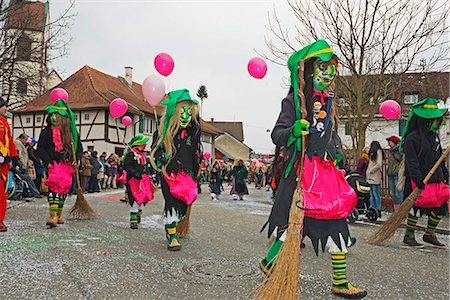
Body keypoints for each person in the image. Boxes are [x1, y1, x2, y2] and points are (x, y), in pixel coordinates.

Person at [259, 40, 366, 298]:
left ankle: (340, 281)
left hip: (326, 175)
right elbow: (277, 134)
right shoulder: (293, 103)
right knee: (292, 228)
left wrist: (343, 163)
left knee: (337, 221)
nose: (327, 73)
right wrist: (294, 131)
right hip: (301, 176)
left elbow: (333, 139)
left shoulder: (329, 104)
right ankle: (269, 263)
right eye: (322, 67)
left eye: (331, 68)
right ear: (308, 71)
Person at [150, 89, 202, 251]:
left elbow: (194, 153)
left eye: (189, 111)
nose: (186, 115)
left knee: (183, 205)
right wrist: (161, 159)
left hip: (187, 174)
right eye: (182, 111)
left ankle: (172, 227)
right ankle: (172, 236)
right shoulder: (162, 134)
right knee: (171, 203)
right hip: (169, 173)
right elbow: (155, 151)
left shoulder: (193, 133)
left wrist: (197, 169)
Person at [400, 98, 449, 248]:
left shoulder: (434, 136)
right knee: (415, 208)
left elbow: (438, 157)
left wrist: (444, 172)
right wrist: (417, 178)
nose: (435, 122)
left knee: (441, 208)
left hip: (435, 179)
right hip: (418, 179)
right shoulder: (412, 138)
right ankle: (409, 236)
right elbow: (411, 161)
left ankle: (429, 234)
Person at [37, 98, 82, 227]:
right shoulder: (47, 132)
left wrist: (77, 159)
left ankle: (59, 214)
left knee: (63, 190)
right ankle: (53, 215)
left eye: (57, 115)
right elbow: (40, 148)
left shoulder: (72, 133)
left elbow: (79, 147)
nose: (54, 118)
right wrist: (48, 162)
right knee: (53, 189)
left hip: (67, 165)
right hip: (53, 163)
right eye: (52, 115)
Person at [123, 135, 154, 229]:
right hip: (133, 180)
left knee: (143, 199)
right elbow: (127, 166)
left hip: (143, 180)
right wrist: (135, 173)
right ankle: (133, 221)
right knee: (135, 200)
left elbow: (145, 166)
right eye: (143, 143)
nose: (145, 145)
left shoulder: (143, 155)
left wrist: (148, 174)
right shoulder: (131, 154)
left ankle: (138, 215)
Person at [0, 97, 20, 232]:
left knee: (3, 193)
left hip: (4, 163)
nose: (6, 108)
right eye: (3, 106)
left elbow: (10, 141)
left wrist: (14, 157)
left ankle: (0, 219)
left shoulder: (5, 122)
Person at [366, 141, 384, 218]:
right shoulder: (372, 154)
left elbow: (379, 164)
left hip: (375, 176)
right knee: (371, 194)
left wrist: (371, 170)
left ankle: (378, 208)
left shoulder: (378, 152)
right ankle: (372, 208)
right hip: (371, 176)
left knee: (375, 193)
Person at [386, 136, 403, 211]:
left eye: (390, 142)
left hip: (397, 174)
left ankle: (401, 209)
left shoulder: (400, 150)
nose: (389, 144)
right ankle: (396, 210)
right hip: (391, 174)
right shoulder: (389, 151)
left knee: (398, 193)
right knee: (392, 193)